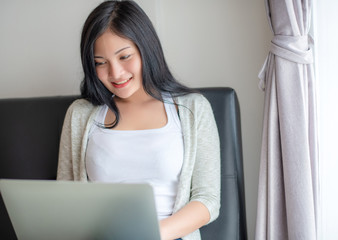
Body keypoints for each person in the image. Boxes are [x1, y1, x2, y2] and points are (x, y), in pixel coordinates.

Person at [56, 1, 220, 239]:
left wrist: (150, 234)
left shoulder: (193, 109)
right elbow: (64, 198)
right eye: (100, 63)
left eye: (124, 56)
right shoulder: (80, 114)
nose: (115, 73)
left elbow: (208, 200)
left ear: (146, 49)